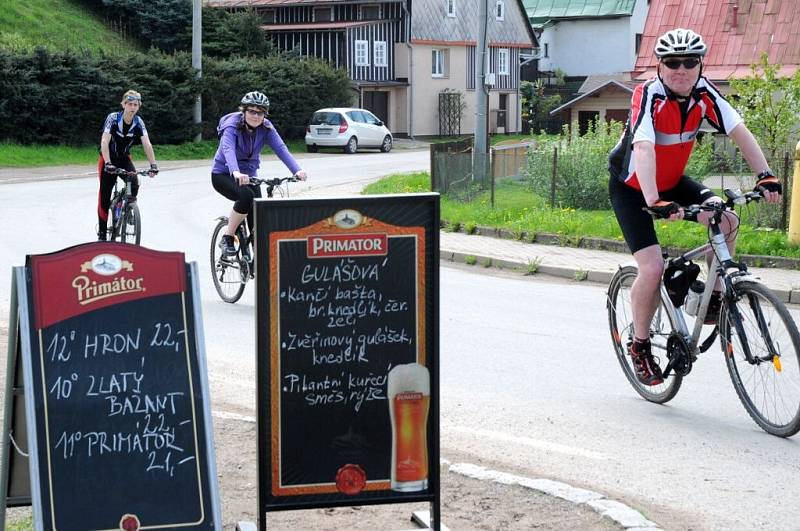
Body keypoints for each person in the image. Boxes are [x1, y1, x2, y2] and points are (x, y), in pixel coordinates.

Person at [608, 28, 782, 386]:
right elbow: (643, 150)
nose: (681, 69)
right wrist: (655, 201)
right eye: (673, 63)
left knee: (727, 218)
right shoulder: (649, 95)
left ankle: (715, 299)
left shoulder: (705, 94)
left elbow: (739, 131)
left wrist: (764, 175)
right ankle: (640, 345)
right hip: (633, 188)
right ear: (660, 66)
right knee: (652, 266)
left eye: (690, 62)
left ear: (701, 65)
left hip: (672, 182)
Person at [211, 91, 307, 255]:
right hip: (223, 174)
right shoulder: (232, 125)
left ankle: (259, 260)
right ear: (244, 111)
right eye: (252, 111)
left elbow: (281, 149)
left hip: (250, 177)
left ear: (265, 114)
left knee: (258, 215)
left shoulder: (266, 128)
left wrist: (297, 170)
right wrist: (235, 172)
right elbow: (228, 149)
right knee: (246, 197)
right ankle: (227, 237)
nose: (255, 116)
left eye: (260, 112)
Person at [97, 89, 159, 240]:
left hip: (124, 159)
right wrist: (108, 163)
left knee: (134, 181)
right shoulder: (113, 118)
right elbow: (105, 141)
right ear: (123, 104)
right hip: (108, 159)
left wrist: (153, 165)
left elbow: (147, 144)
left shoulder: (138, 122)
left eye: (135, 105)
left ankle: (128, 208)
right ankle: (103, 233)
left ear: (139, 106)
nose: (132, 107)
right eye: (129, 104)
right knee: (104, 196)